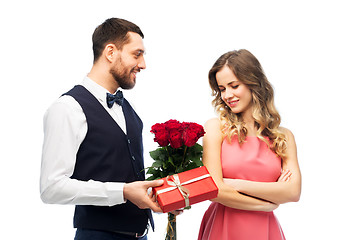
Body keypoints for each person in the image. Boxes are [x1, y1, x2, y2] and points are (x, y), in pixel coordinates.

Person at [40, 18, 164, 240]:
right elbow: (51, 188)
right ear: (110, 52)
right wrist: (123, 192)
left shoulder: (127, 107)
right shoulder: (68, 108)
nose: (143, 64)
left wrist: (165, 196)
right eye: (137, 54)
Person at [198, 49, 301, 240]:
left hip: (265, 229)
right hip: (224, 226)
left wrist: (234, 184)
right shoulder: (215, 129)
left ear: (254, 83)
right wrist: (266, 203)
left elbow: (293, 192)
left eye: (234, 85)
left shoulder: (284, 136)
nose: (227, 95)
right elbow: (213, 191)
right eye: (222, 89)